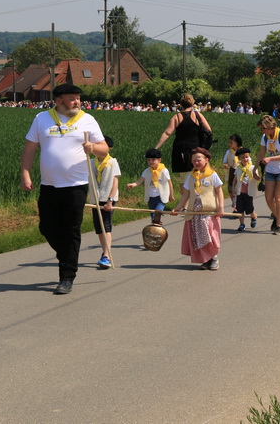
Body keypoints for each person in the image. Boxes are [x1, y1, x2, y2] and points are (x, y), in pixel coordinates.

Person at [20, 83, 109, 295]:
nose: (77, 102)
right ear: (58, 100)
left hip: (76, 186)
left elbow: (104, 150)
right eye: (72, 98)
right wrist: (25, 174)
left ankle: (67, 276)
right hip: (49, 185)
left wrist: (93, 147)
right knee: (47, 228)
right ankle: (67, 255)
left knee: (71, 230)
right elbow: (29, 149)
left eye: (78, 98)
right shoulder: (42, 118)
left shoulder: (88, 120)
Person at [171, 147, 223, 270]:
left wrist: (220, 207)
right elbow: (186, 195)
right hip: (195, 212)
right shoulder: (191, 177)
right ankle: (206, 260)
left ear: (206, 160)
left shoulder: (212, 175)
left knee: (209, 235)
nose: (196, 163)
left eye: (199, 160)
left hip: (208, 212)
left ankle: (214, 258)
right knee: (198, 237)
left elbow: (219, 191)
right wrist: (178, 208)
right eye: (194, 160)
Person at [155, 94, 213, 185]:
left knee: (184, 177)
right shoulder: (197, 115)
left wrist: (156, 147)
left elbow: (167, 133)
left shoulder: (177, 117)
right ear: (192, 103)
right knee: (197, 172)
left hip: (180, 150)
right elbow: (209, 130)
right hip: (195, 149)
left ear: (181, 104)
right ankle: (197, 191)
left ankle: (185, 193)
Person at [255, 115, 280, 235]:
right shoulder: (265, 137)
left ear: (269, 126)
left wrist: (270, 158)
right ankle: (277, 215)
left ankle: (279, 225)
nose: (262, 131)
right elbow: (261, 154)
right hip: (271, 170)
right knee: (268, 198)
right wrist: (255, 169)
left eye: (263, 128)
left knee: (278, 197)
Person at [90, 136, 120, 269]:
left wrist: (110, 200)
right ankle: (104, 252)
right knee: (99, 229)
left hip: (108, 199)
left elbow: (115, 182)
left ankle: (107, 256)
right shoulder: (91, 162)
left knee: (106, 227)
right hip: (95, 200)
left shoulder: (112, 162)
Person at [126, 148, 174, 222]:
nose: (150, 162)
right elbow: (140, 181)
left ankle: (156, 224)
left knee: (157, 212)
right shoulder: (147, 171)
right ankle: (155, 226)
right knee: (153, 216)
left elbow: (169, 183)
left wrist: (171, 195)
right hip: (151, 197)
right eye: (149, 160)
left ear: (159, 160)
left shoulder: (164, 171)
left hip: (160, 197)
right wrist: (133, 184)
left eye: (153, 160)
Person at [233, 147, 260, 231]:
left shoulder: (252, 168)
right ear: (239, 159)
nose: (245, 159)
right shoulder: (238, 168)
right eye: (243, 157)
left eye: (247, 157)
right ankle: (242, 224)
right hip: (240, 192)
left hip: (249, 192)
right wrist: (233, 188)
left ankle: (253, 216)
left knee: (249, 208)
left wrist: (257, 177)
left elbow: (257, 178)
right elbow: (235, 179)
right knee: (240, 209)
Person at [223, 134, 242, 212]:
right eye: (229, 142)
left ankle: (238, 206)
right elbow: (225, 161)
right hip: (231, 173)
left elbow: (248, 161)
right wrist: (225, 165)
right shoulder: (228, 152)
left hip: (240, 173)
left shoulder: (242, 151)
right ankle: (235, 205)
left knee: (239, 190)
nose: (229, 144)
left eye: (231, 142)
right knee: (231, 189)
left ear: (237, 143)